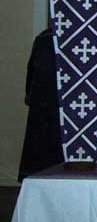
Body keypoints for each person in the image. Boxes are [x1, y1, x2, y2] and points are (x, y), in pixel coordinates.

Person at [18, 28, 63, 181]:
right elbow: (33, 68)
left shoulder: (45, 38)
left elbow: (32, 70)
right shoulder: (46, 38)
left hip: (46, 100)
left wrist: (30, 91)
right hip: (48, 100)